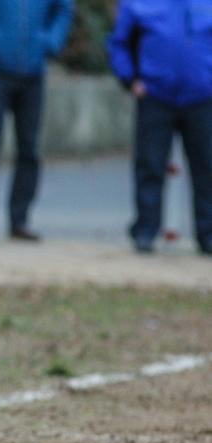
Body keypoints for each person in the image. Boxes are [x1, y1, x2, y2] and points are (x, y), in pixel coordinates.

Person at [0, 0, 72, 242]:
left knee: (29, 148)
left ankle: (20, 220)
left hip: (33, 73)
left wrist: (51, 41)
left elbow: (63, 9)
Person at [107, 0, 212, 256]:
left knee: (207, 168)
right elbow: (119, 43)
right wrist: (129, 78)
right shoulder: (138, 4)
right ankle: (145, 231)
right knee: (150, 165)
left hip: (202, 97)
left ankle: (208, 234)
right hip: (155, 96)